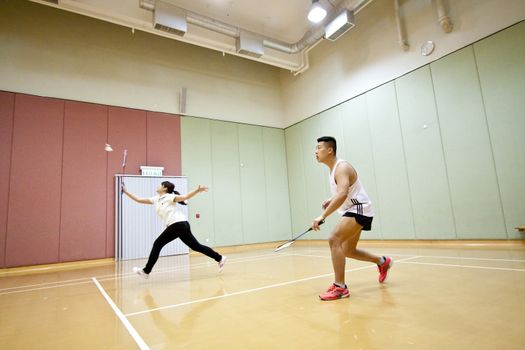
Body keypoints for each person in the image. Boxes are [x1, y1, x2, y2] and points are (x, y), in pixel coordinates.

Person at [312, 136, 393, 301]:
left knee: (334, 239)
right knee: (348, 250)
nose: (316, 151)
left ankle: (340, 287)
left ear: (330, 150)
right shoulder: (334, 169)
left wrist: (322, 216)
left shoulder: (341, 167)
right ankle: (382, 261)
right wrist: (330, 199)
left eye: (319, 147)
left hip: (359, 209)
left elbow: (343, 193)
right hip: (354, 209)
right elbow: (343, 190)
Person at [122, 181, 226, 279]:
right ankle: (220, 258)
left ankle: (146, 271)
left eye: (160, 185)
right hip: (181, 225)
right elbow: (139, 200)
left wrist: (197, 190)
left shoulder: (169, 197)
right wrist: (126, 191)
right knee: (196, 246)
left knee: (157, 244)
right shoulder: (155, 199)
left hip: (178, 224)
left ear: (164, 188)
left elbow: (184, 197)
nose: (157, 186)